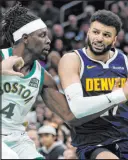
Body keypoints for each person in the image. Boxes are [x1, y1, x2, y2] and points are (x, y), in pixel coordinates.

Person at [58, 10, 128, 159]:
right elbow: (77, 107)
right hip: (92, 138)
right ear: (88, 33)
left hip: (126, 136)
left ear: (114, 40)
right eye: (95, 32)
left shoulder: (126, 64)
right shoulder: (73, 60)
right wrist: (122, 94)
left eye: (106, 35)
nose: (99, 38)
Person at [0, 3, 74, 159]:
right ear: (25, 38)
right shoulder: (2, 57)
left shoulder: (44, 78)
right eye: (42, 35)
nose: (48, 40)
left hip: (17, 138)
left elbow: (68, 114)